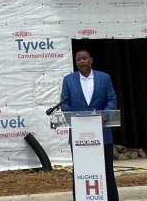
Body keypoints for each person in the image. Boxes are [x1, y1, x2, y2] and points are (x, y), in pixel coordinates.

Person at [60, 49, 119, 201]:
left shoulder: (104, 78)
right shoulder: (68, 80)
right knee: (80, 171)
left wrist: (105, 115)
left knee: (106, 170)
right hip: (79, 136)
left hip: (102, 133)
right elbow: (65, 104)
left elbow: (112, 100)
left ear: (91, 60)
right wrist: (75, 119)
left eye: (84, 58)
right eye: (78, 59)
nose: (81, 61)